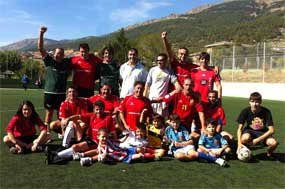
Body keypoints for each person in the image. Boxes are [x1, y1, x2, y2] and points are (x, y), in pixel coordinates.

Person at [46, 101, 117, 165]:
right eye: (97, 109)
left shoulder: (108, 119)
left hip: (96, 142)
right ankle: (60, 150)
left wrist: (115, 144)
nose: (98, 111)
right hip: (88, 138)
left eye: (100, 109)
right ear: (94, 110)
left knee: (75, 147)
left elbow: (113, 132)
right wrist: (68, 119)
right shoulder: (92, 115)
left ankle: (55, 156)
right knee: (72, 123)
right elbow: (78, 117)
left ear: (103, 109)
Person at [38, 26, 70, 133]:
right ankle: (46, 134)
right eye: (57, 53)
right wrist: (41, 34)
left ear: (63, 55)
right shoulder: (49, 61)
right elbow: (41, 49)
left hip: (61, 93)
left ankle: (62, 132)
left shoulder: (66, 63)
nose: (58, 55)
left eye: (61, 54)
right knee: (49, 114)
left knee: (61, 114)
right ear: (54, 54)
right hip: (49, 92)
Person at [153, 77, 205, 142]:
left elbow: (200, 112)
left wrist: (203, 127)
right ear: (183, 85)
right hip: (174, 122)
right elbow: (164, 98)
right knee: (162, 133)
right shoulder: (177, 94)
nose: (188, 87)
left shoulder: (195, 98)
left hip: (186, 125)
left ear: (193, 86)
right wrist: (151, 101)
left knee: (192, 137)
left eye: (190, 85)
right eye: (186, 85)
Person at [236, 92, 279, 158]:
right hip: (249, 131)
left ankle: (269, 152)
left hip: (262, 132)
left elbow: (271, 130)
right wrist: (239, 143)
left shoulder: (266, 111)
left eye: (257, 102)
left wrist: (257, 140)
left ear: (260, 102)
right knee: (244, 138)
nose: (254, 104)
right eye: (252, 101)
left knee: (274, 143)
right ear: (249, 102)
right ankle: (246, 149)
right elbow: (239, 129)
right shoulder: (245, 111)